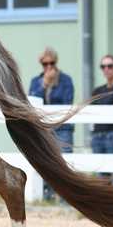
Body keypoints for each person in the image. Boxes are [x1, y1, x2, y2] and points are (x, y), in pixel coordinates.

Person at [27, 47, 74, 201]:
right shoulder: (36, 81)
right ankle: (48, 196)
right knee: (46, 162)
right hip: (43, 128)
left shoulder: (66, 80)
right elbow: (33, 101)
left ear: (56, 62)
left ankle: (66, 197)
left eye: (51, 63)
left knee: (64, 163)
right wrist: (44, 85)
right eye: (45, 64)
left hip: (62, 128)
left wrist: (52, 85)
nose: (48, 67)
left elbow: (67, 101)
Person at [90, 54, 113, 183]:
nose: (106, 69)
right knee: (101, 175)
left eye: (110, 66)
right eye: (103, 66)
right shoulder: (97, 90)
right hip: (97, 135)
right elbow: (91, 110)